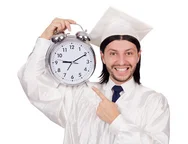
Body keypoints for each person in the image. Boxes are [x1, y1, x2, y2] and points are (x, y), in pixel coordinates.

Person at [17, 7, 170, 144]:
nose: (121, 61)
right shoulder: (79, 95)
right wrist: (45, 39)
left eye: (129, 53)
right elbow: (32, 82)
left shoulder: (154, 102)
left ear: (138, 55)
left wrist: (117, 121)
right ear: (103, 56)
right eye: (113, 53)